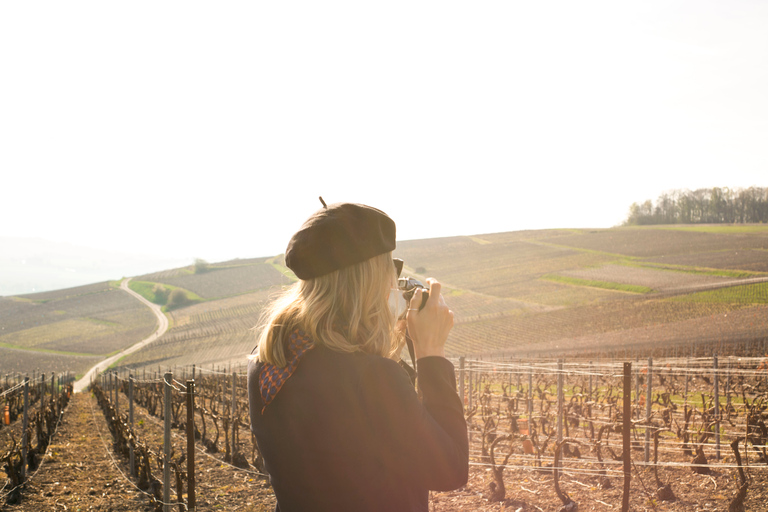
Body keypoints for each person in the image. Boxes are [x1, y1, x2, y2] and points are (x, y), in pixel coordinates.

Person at [247, 200, 468, 512]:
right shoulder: (372, 377)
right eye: (392, 268)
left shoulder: (268, 361)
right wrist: (431, 352)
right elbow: (451, 468)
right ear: (369, 279)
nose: (396, 280)